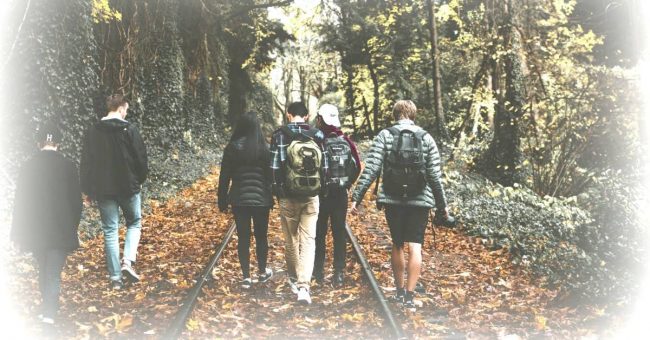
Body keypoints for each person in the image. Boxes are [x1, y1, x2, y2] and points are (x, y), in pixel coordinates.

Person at [350, 100, 455, 310]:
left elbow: (371, 168)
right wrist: (442, 206)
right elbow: (434, 176)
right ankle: (409, 295)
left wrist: (356, 198)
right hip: (420, 200)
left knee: (397, 243)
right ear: (414, 115)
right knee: (415, 246)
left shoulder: (385, 135)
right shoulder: (426, 138)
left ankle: (398, 292)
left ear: (395, 115)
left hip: (393, 199)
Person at [11, 124, 82, 324]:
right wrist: (72, 226)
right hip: (60, 230)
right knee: (53, 272)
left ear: (38, 143)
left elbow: (21, 203)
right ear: (58, 143)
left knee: (43, 269)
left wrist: (17, 234)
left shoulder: (28, 166)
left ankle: (46, 309)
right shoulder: (68, 166)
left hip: (36, 231)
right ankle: (49, 313)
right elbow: (76, 203)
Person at [80, 94, 148, 289]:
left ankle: (115, 278)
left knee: (110, 230)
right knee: (134, 223)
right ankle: (128, 261)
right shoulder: (129, 129)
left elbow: (87, 163)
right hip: (128, 187)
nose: (126, 113)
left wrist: (87, 189)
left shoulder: (93, 131)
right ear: (121, 108)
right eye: (125, 110)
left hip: (104, 189)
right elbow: (141, 158)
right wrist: (139, 180)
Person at [270, 101, 328, 304]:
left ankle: (294, 280)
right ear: (307, 115)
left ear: (288, 114)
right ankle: (304, 288)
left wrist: (278, 191)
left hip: (288, 196)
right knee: (309, 241)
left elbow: (274, 167)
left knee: (291, 240)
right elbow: (325, 168)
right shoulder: (318, 135)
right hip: (312, 195)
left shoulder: (280, 134)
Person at [218, 111, 274, 289]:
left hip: (239, 200)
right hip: (261, 201)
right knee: (261, 237)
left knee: (243, 237)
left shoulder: (232, 148)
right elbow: (270, 177)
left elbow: (224, 176)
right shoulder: (265, 148)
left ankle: (246, 277)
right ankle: (262, 272)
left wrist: (222, 200)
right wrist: (271, 196)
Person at [312, 104, 360, 286]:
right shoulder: (346, 141)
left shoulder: (318, 140)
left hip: (321, 195)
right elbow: (357, 166)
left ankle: (318, 273)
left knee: (319, 233)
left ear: (320, 119)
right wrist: (347, 183)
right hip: (340, 194)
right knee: (339, 233)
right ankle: (338, 274)